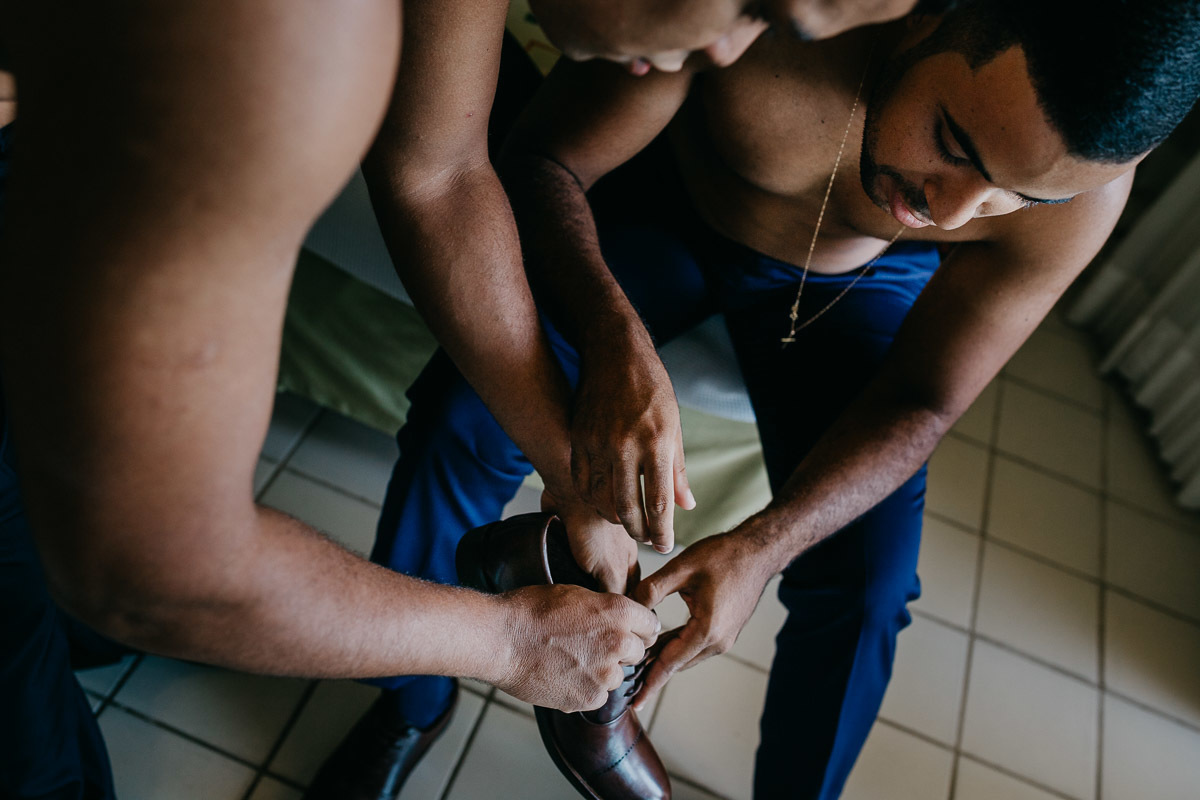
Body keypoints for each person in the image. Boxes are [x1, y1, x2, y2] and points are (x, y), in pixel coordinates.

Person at [0, 0, 965, 797]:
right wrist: (506, 641)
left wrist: (570, 473)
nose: (727, 56)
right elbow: (151, 569)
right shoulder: (293, 36)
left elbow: (439, 176)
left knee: (46, 571)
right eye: (755, 6)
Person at [345, 1, 1200, 797]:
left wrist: (763, 546)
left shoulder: (1084, 196)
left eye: (1019, 196)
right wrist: (612, 340)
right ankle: (407, 698)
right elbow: (542, 162)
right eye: (954, 143)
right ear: (936, 16)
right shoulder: (766, 16)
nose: (953, 214)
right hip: (670, 202)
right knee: (461, 414)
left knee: (869, 585)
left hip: (854, 286)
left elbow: (924, 399)